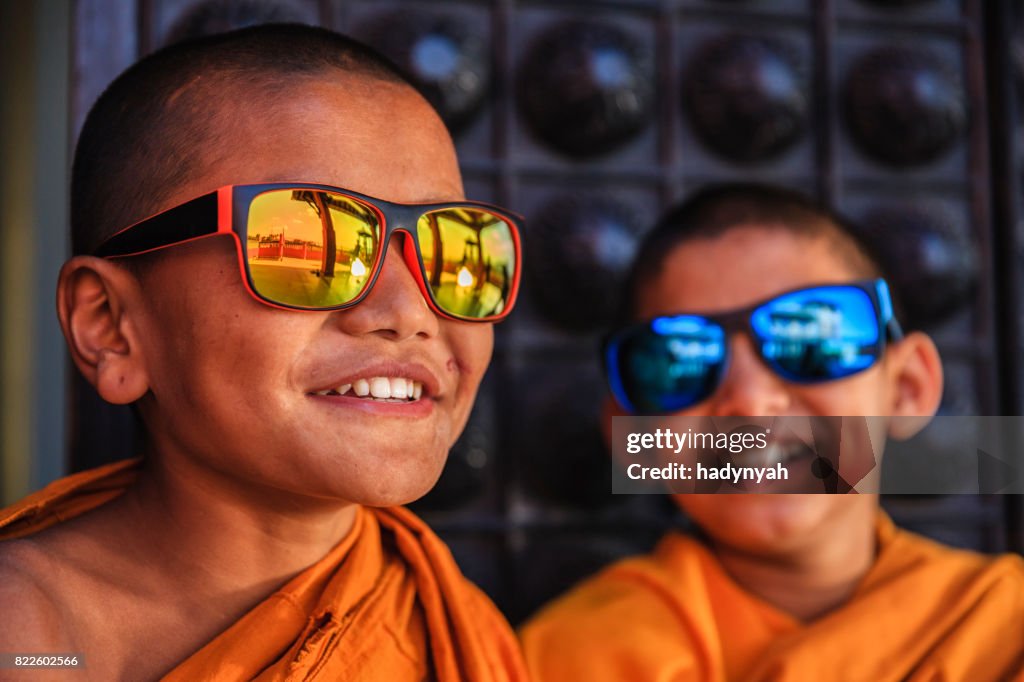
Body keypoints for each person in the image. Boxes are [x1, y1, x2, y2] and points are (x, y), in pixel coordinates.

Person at [0, 24, 527, 681]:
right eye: (307, 246)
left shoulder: (457, 633)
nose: (410, 312)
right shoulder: (29, 637)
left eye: (454, 250)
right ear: (111, 325)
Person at [520, 183, 1024, 680]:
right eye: (680, 361)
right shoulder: (574, 658)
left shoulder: (999, 626)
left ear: (907, 388)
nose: (749, 402)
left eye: (808, 339)